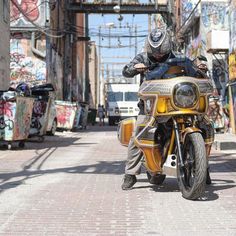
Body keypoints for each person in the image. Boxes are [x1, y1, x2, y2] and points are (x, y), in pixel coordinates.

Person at [121, 26, 214, 190]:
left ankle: (203, 169)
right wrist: (134, 68)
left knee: (205, 125)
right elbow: (126, 71)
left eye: (161, 50)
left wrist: (199, 67)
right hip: (151, 107)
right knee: (138, 135)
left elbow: (192, 67)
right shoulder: (143, 57)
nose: (157, 54)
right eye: (154, 50)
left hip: (177, 104)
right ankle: (130, 174)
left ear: (167, 46)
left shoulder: (178, 57)